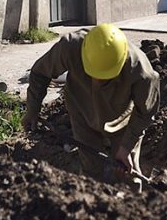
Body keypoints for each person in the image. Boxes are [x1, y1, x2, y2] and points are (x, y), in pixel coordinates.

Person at [23, 24, 159, 182]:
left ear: (122, 62)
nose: (98, 81)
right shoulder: (70, 47)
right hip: (81, 109)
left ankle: (135, 203)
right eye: (93, 73)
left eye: (106, 77)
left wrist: (126, 147)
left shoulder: (141, 72)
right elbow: (40, 72)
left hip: (122, 120)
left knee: (128, 172)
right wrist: (32, 110)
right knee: (90, 168)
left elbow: (146, 112)